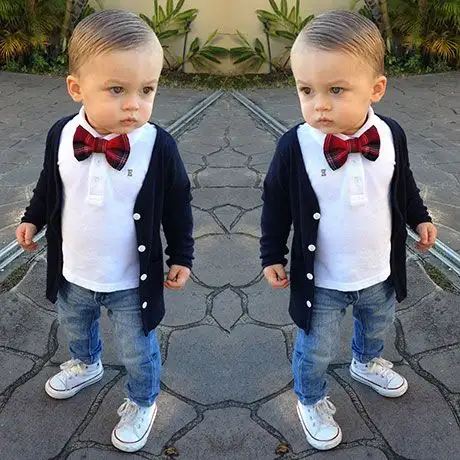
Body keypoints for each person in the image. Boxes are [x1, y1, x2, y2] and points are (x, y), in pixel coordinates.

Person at [15, 9, 194, 453]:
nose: (134, 104)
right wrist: (33, 218)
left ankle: (143, 399)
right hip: (74, 271)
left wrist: (181, 256)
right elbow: (49, 184)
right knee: (74, 325)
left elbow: (177, 206)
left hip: (132, 281)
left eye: (146, 90)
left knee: (137, 347)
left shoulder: (158, 146)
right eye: (117, 90)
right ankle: (86, 364)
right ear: (76, 88)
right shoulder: (62, 134)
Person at [260, 10, 437, 451]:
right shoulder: (295, 146)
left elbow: (403, 183)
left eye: (336, 90)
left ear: (376, 89)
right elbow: (276, 204)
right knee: (316, 347)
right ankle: (310, 397)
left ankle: (366, 362)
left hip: (378, 270)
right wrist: (272, 255)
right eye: (306, 90)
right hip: (321, 281)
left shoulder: (390, 135)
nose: (319, 104)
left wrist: (419, 217)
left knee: (377, 324)